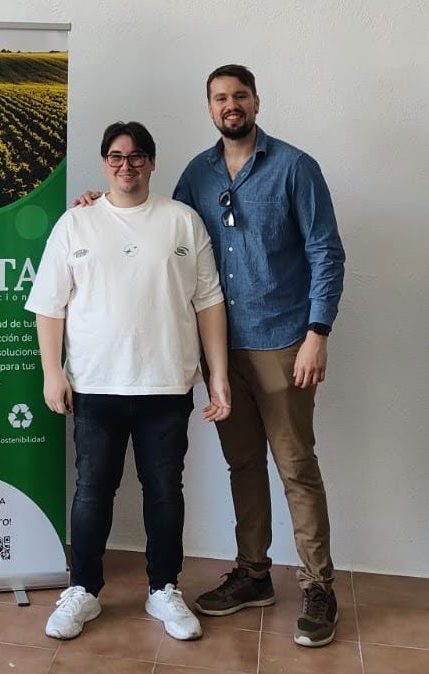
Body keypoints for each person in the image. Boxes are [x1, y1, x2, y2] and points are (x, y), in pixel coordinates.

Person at [26, 122, 231, 642]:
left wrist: (218, 376)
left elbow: (209, 303)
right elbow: (49, 305)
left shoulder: (182, 221)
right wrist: (52, 371)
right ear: (104, 163)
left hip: (166, 384)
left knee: (164, 491)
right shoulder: (77, 223)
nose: (127, 165)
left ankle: (164, 589)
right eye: (116, 156)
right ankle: (83, 589)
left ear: (152, 162)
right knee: (93, 491)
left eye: (137, 156)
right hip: (96, 384)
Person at [173, 64, 346, 648]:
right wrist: (101, 206)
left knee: (296, 467)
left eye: (240, 95)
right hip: (221, 352)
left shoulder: (295, 167)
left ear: (256, 101)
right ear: (209, 107)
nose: (231, 105)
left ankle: (319, 587)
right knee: (243, 465)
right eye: (220, 97)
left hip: (284, 344)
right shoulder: (196, 174)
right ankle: (253, 574)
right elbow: (169, 239)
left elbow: (325, 252)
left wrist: (317, 332)